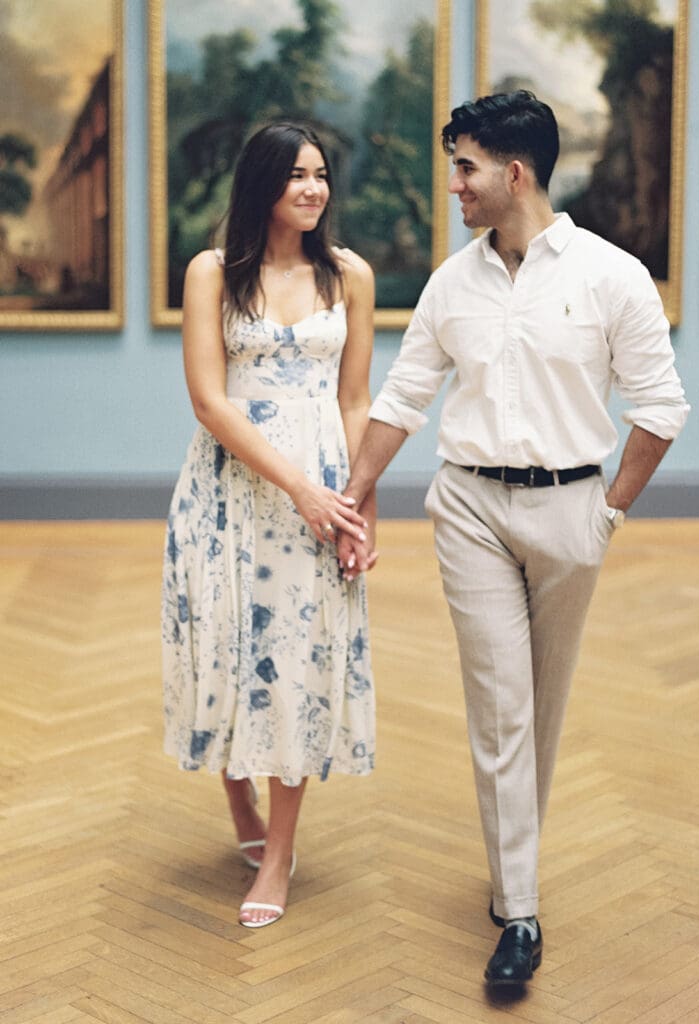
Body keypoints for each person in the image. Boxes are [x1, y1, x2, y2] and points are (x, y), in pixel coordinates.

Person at [337, 92, 690, 985]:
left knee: (543, 707)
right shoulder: (453, 284)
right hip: (471, 512)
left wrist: (608, 512)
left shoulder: (611, 276)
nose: (453, 185)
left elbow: (660, 408)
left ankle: (514, 870)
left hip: (573, 511)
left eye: (464, 167)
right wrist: (349, 495)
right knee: (501, 705)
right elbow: (403, 397)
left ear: (514, 172)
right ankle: (520, 912)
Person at [161, 121, 376, 929]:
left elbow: (355, 401)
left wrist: (358, 508)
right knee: (223, 646)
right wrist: (298, 488)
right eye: (296, 176)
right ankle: (236, 793)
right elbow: (209, 401)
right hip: (228, 493)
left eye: (321, 173)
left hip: (322, 496)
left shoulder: (350, 274)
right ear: (262, 185)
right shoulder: (214, 273)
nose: (314, 189)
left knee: (297, 660)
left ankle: (280, 851)